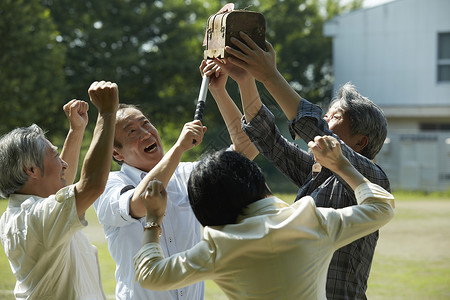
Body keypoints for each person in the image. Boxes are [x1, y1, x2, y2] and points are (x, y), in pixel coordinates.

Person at [210, 31, 391, 299]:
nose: (326, 118)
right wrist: (245, 79)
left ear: (360, 141)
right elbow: (269, 140)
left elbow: (313, 128)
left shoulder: (372, 179)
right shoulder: (319, 172)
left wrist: (270, 76)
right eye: (326, 113)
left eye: (335, 115)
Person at [133, 135, 395, 300]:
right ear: (257, 180)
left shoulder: (219, 247)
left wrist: (154, 217)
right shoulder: (312, 220)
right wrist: (341, 165)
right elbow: (381, 207)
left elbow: (150, 275)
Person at [93, 62, 258, 300]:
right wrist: (179, 147)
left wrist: (219, 91)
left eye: (146, 123)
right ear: (116, 154)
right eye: (132, 132)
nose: (146, 133)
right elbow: (140, 203)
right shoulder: (108, 184)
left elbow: (247, 150)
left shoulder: (187, 174)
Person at [0, 81, 119, 299]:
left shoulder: (21, 213)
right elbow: (92, 184)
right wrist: (107, 113)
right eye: (55, 156)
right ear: (32, 170)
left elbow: (61, 182)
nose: (63, 164)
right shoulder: (37, 217)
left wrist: (76, 130)